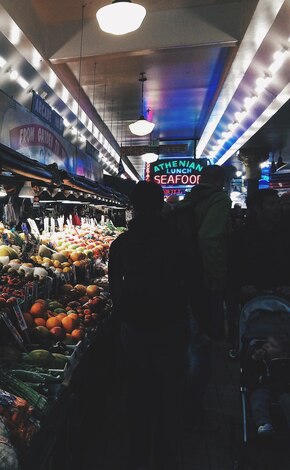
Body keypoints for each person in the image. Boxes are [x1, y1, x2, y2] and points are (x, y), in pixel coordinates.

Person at [109, 181, 188, 470]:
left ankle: (138, 455)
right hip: (171, 324)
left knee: (138, 391)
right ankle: (167, 455)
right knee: (168, 391)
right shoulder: (178, 239)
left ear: (134, 207)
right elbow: (192, 281)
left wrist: (122, 318)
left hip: (135, 327)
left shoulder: (122, 243)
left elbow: (115, 288)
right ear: (161, 203)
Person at [178, 165, 231, 428]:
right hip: (202, 281)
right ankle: (193, 410)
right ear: (222, 182)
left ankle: (178, 402)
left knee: (185, 341)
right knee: (200, 344)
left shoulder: (189, 201)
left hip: (180, 281)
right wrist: (217, 275)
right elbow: (209, 238)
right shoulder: (219, 200)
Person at [229, 189, 290, 301]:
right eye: (272, 204)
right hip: (252, 296)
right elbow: (235, 264)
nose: (277, 208)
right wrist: (243, 284)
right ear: (257, 208)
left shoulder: (286, 234)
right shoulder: (241, 236)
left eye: (278, 203)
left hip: (282, 295)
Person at [243, 334, 290, 436]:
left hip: (281, 389)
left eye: (272, 345)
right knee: (258, 399)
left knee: (287, 399)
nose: (266, 346)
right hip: (261, 387)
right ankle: (264, 423)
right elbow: (248, 375)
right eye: (266, 342)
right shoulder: (258, 359)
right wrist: (254, 359)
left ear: (283, 354)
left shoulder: (284, 363)